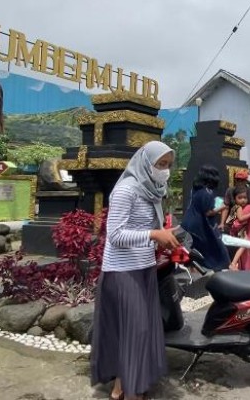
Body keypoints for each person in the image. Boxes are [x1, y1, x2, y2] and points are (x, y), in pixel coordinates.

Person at [90, 141, 179, 400]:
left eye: (168, 165)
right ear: (145, 163)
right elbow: (116, 235)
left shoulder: (152, 190)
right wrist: (153, 234)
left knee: (137, 331)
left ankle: (120, 387)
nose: (165, 170)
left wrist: (165, 237)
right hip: (122, 271)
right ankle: (131, 392)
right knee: (136, 331)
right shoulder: (126, 190)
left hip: (144, 268)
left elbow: (147, 230)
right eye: (160, 164)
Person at [182, 165, 230, 270]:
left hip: (189, 222)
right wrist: (223, 207)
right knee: (215, 246)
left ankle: (193, 267)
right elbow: (208, 212)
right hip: (200, 224)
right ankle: (218, 266)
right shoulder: (207, 192)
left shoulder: (195, 190)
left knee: (196, 247)